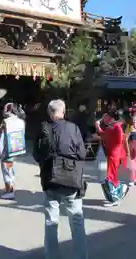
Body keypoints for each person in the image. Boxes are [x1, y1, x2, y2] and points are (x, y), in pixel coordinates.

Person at [33, 99, 88, 259]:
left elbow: (37, 155)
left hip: (50, 178)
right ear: (63, 112)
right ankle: (80, 256)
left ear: (50, 112)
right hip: (71, 178)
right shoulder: (73, 128)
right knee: (77, 219)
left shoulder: (43, 129)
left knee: (51, 220)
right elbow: (82, 154)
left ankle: (52, 256)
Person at [95, 109, 129, 207]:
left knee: (110, 176)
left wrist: (97, 126)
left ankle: (117, 195)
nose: (105, 119)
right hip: (114, 154)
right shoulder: (115, 127)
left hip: (113, 154)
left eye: (107, 117)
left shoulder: (115, 127)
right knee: (111, 175)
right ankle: (118, 191)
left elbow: (103, 135)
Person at [0, 102, 27, 200]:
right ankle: (9, 187)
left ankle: (10, 190)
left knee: (6, 169)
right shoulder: (20, 121)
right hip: (15, 148)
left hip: (6, 148)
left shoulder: (6, 121)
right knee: (9, 168)